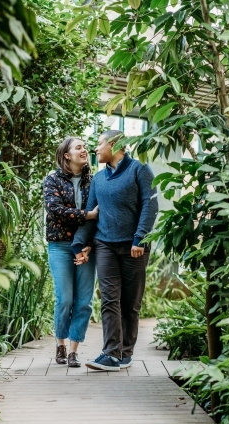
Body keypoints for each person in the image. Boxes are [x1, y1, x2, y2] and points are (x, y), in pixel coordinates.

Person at [71, 130, 158, 371]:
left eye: (99, 144)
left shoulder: (140, 170)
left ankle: (125, 352)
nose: (95, 149)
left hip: (134, 247)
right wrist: (79, 244)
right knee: (109, 299)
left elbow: (150, 207)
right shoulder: (99, 179)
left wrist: (139, 239)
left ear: (115, 144)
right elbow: (90, 215)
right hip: (105, 245)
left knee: (130, 302)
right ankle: (110, 354)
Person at [44, 137, 98, 368]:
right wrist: (87, 215)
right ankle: (61, 344)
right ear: (67, 155)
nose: (84, 150)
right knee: (64, 299)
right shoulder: (52, 179)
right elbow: (55, 210)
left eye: (85, 147)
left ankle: (74, 350)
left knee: (84, 302)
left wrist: (89, 245)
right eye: (79, 147)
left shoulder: (95, 181)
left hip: (87, 247)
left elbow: (102, 216)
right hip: (60, 246)